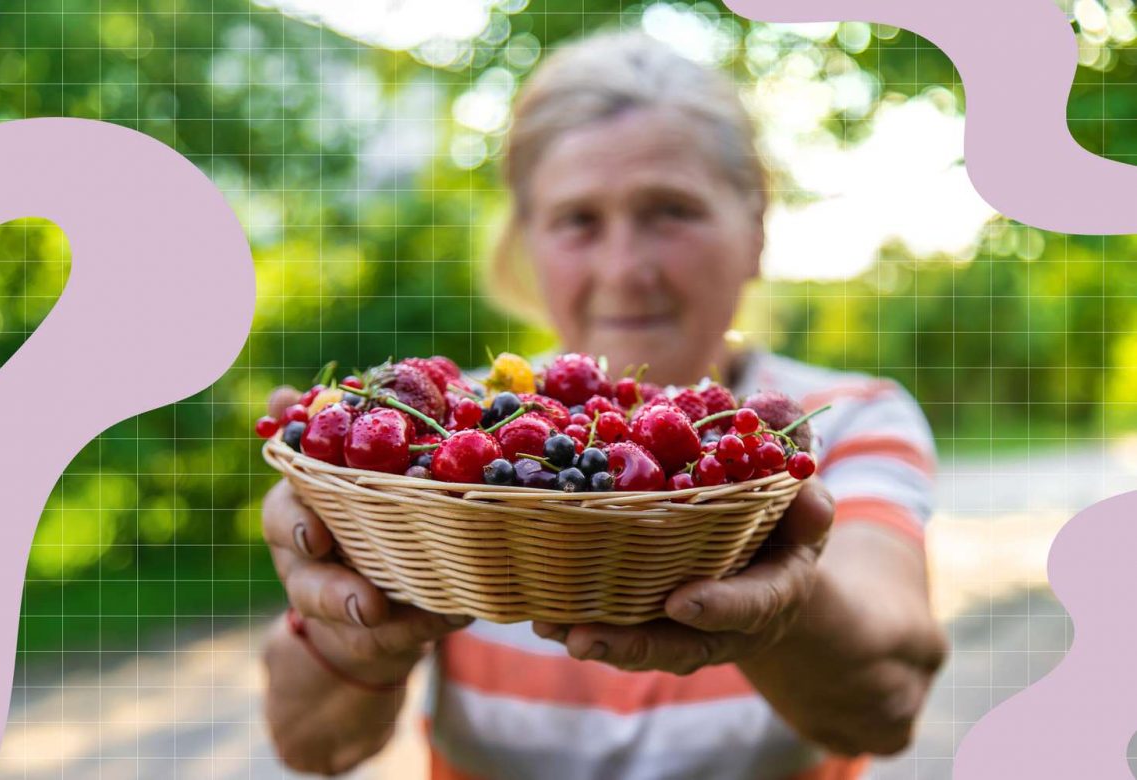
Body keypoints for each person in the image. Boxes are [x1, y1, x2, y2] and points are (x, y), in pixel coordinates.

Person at [260, 31, 947, 780]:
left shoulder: (836, 426)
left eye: (671, 211)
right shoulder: (457, 439)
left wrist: (776, 599)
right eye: (579, 220)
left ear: (755, 229)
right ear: (528, 243)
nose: (625, 269)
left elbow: (887, 703)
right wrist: (363, 618)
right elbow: (314, 747)